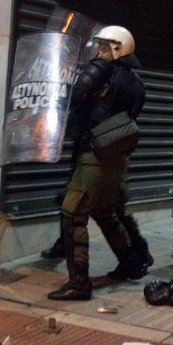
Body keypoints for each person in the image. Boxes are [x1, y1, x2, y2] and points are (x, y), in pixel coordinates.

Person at [47, 26, 148, 301]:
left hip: (94, 155)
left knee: (72, 212)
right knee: (104, 211)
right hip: (117, 157)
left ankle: (79, 283)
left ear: (118, 48)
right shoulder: (136, 81)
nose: (99, 52)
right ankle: (132, 263)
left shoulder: (105, 72)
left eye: (105, 47)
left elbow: (77, 96)